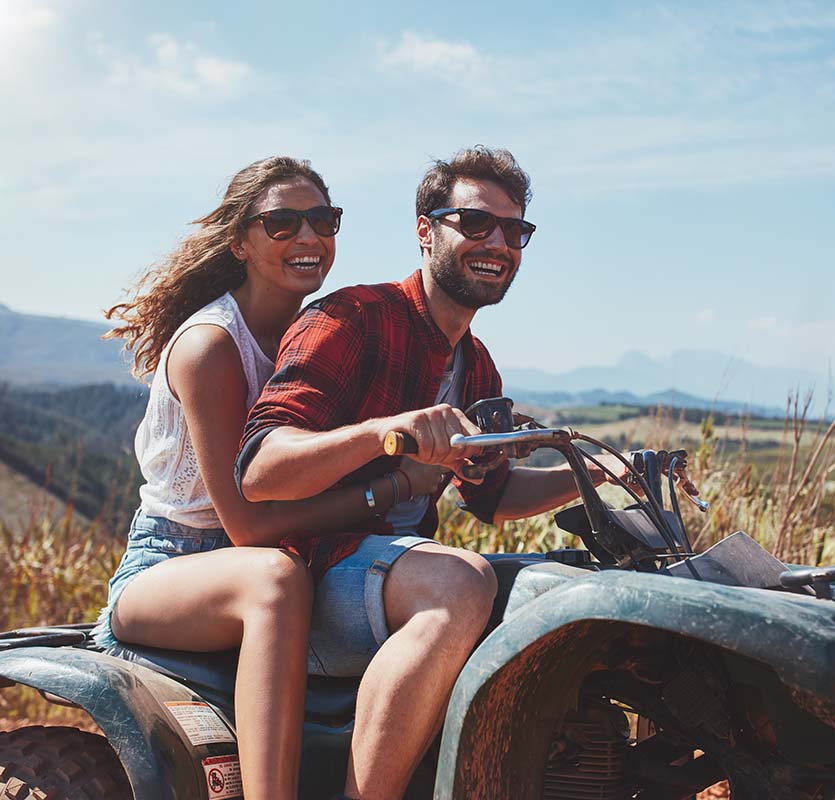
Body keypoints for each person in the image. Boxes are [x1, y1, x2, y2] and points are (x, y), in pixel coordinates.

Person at [237, 146, 618, 799]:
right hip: (318, 571)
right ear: (425, 230)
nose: (497, 242)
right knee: (461, 582)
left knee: (568, 587)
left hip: (392, 575)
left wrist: (598, 471)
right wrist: (386, 435)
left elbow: (492, 498)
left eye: (514, 231)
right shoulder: (351, 318)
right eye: (474, 224)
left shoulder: (477, 365)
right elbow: (261, 467)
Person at [93, 157, 380, 800]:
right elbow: (245, 524)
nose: (308, 237)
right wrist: (379, 493)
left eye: (322, 220)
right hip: (172, 564)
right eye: (282, 222)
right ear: (240, 243)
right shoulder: (211, 345)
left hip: (268, 554)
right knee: (273, 579)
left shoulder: (319, 336)